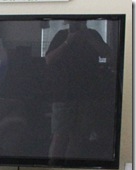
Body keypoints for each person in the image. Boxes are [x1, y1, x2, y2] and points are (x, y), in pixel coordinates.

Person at [45, 20, 113, 159]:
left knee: (79, 137)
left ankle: (70, 169)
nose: (76, 25)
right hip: (63, 94)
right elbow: (49, 59)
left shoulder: (93, 34)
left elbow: (107, 54)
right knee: (59, 135)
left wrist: (88, 38)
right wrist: (67, 42)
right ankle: (53, 168)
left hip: (88, 94)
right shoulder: (61, 35)